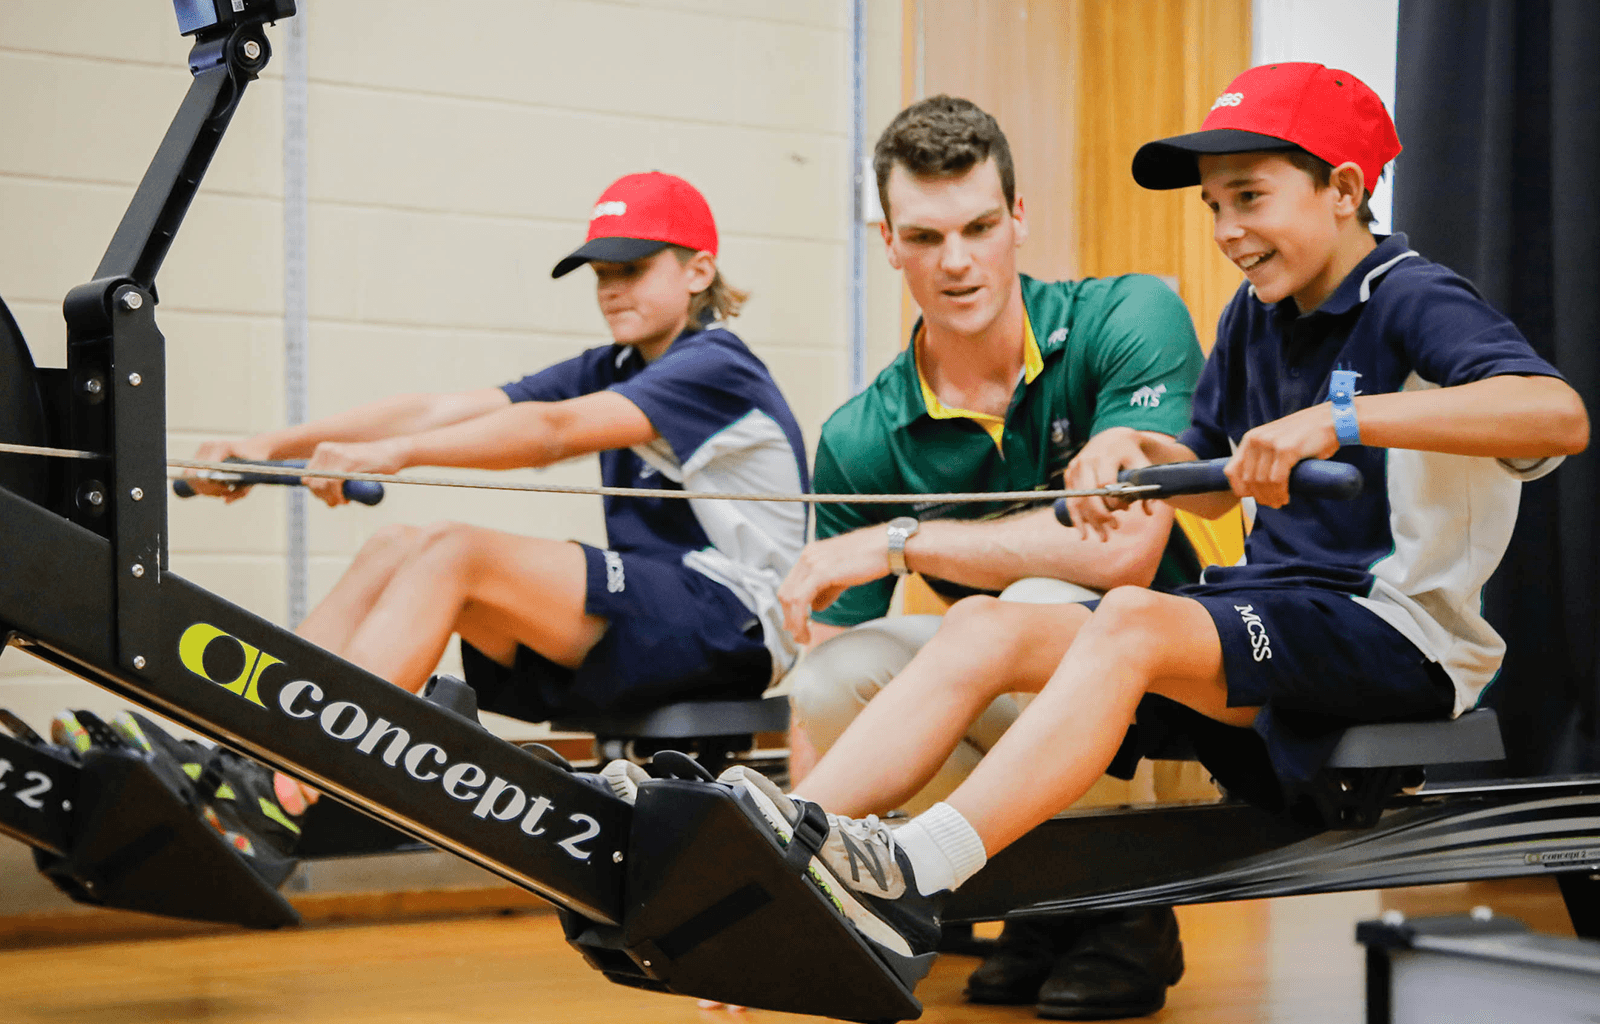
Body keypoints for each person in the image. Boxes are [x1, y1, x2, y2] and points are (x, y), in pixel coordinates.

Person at [713, 61, 1590, 993]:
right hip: (1281, 624)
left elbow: (1556, 414)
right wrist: (1131, 450)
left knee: (1132, 616)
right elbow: (1208, 482)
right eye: (1215, 207)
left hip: (1398, 638)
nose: (1228, 232)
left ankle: (917, 866)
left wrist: (1343, 419)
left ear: (1342, 189)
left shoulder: (1412, 296)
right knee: (986, 625)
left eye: (1249, 198)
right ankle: (764, 849)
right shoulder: (1254, 316)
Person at [171, 171, 809, 846]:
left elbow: (550, 431)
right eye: (600, 274)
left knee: (455, 550)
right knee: (396, 545)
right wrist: (266, 446)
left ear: (697, 270)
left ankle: (292, 791)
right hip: (661, 618)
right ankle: (241, 755)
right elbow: (436, 408)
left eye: (632, 268)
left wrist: (396, 455)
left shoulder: (715, 366)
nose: (611, 288)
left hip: (735, 623)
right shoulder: (618, 365)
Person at [773, 95, 1208, 1019]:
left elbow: (1124, 552)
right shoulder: (860, 433)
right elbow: (820, 682)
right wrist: (788, 886)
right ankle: (1033, 897)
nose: (958, 261)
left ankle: (1120, 909)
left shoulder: (1126, 315)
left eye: (978, 226)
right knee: (836, 675)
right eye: (926, 237)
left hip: (1171, 702)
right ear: (889, 242)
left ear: (1017, 218)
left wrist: (903, 542)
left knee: (1045, 593)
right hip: (1004, 687)